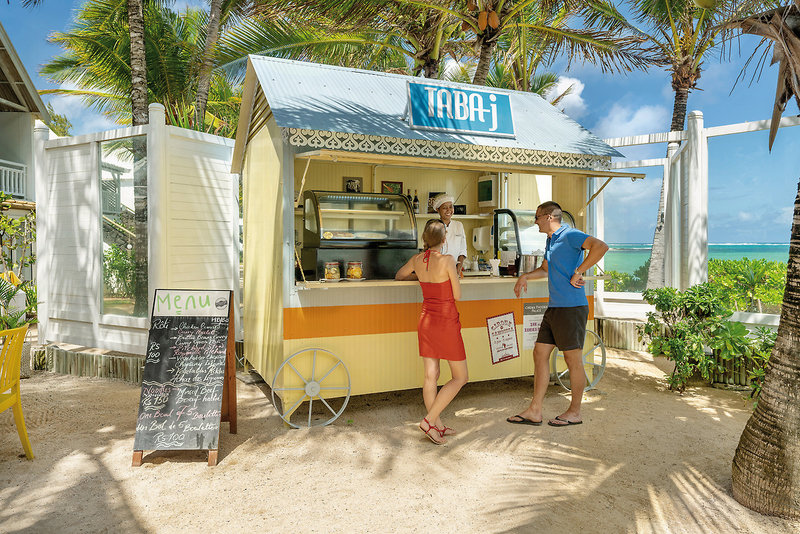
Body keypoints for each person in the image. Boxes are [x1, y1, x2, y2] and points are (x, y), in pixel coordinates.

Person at [507, 201, 608, 427]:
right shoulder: (550, 239)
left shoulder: (570, 235)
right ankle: (535, 410)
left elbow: (601, 246)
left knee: (573, 360)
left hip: (571, 308)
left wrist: (579, 271)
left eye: (537, 217)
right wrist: (525, 276)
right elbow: (545, 268)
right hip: (554, 307)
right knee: (539, 353)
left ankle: (575, 412)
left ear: (549, 217)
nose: (535, 222)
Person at [396, 219, 469, 445]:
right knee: (460, 377)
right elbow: (457, 295)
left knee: (431, 375)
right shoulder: (448, 260)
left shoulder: (417, 260)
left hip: (426, 321)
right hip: (446, 322)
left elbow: (399, 275)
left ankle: (437, 425)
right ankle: (429, 421)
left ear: (425, 239)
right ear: (444, 239)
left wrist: (420, 276)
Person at [432, 194, 468, 276]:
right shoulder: (434, 226)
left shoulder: (459, 225)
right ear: (438, 210)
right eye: (444, 208)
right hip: (437, 270)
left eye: (451, 207)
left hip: (455, 270)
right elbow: (431, 251)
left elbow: (462, 250)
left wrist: (457, 270)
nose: (448, 210)